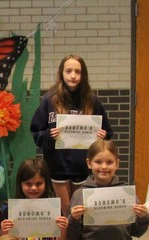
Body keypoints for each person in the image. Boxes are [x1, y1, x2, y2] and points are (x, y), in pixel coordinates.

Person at [30, 55, 114, 215]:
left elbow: (107, 133)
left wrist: (102, 136)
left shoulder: (92, 101)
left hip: (83, 166)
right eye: (68, 71)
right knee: (66, 214)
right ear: (61, 73)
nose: (73, 75)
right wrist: (48, 135)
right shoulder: (50, 100)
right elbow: (36, 132)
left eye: (78, 71)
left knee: (79, 214)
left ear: (83, 75)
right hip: (57, 166)